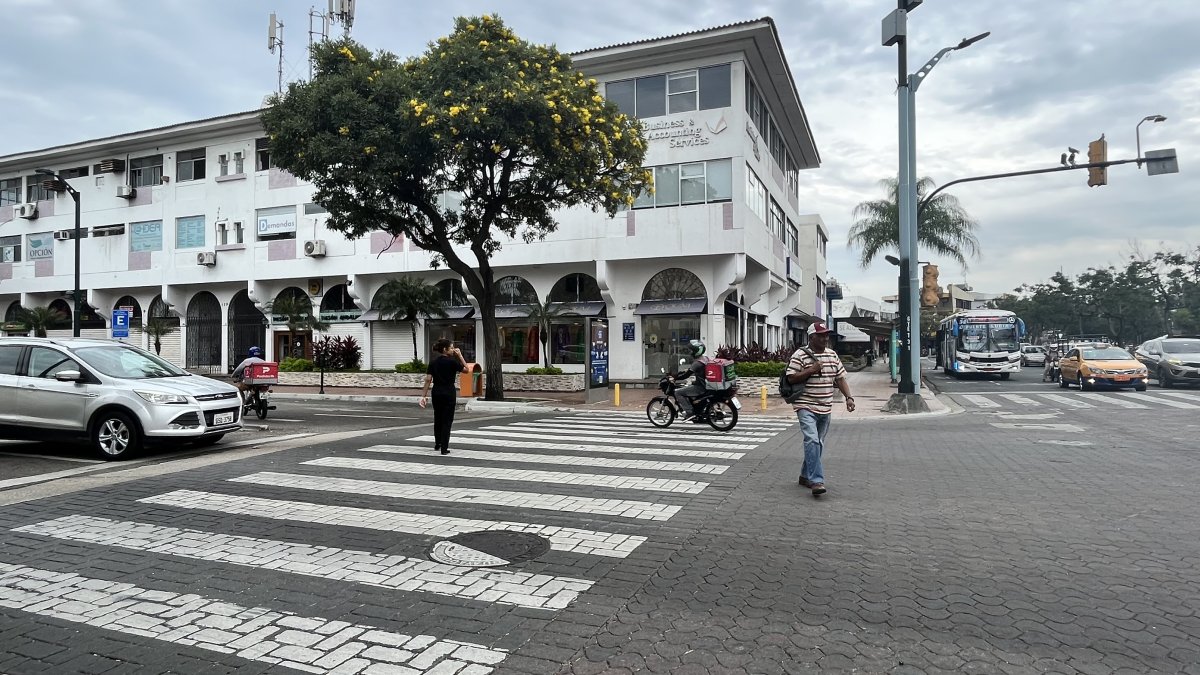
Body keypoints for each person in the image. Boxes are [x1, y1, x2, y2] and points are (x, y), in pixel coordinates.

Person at [784, 323, 855, 497]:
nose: (824, 338)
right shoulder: (799, 355)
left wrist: (849, 397)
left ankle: (804, 475)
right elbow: (791, 378)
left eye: (826, 335)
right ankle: (816, 481)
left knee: (818, 443)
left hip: (825, 406)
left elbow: (840, 378)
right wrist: (811, 370)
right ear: (811, 337)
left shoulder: (832, 355)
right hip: (805, 405)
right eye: (820, 335)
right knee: (812, 440)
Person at [420, 338, 468, 455]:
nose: (453, 350)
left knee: (438, 417)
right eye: (451, 348)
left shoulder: (433, 362)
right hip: (449, 391)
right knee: (447, 420)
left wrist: (423, 396)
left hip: (436, 391)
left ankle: (438, 443)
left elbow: (428, 380)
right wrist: (460, 356)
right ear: (445, 349)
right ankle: (444, 448)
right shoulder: (452, 362)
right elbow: (467, 370)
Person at [674, 339, 708, 421]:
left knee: (678, 392)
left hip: (700, 387)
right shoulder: (705, 359)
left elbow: (686, 375)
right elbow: (693, 371)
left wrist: (675, 378)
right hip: (705, 385)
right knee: (688, 387)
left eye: (691, 350)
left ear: (696, 352)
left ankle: (689, 412)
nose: (690, 352)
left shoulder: (697, 363)